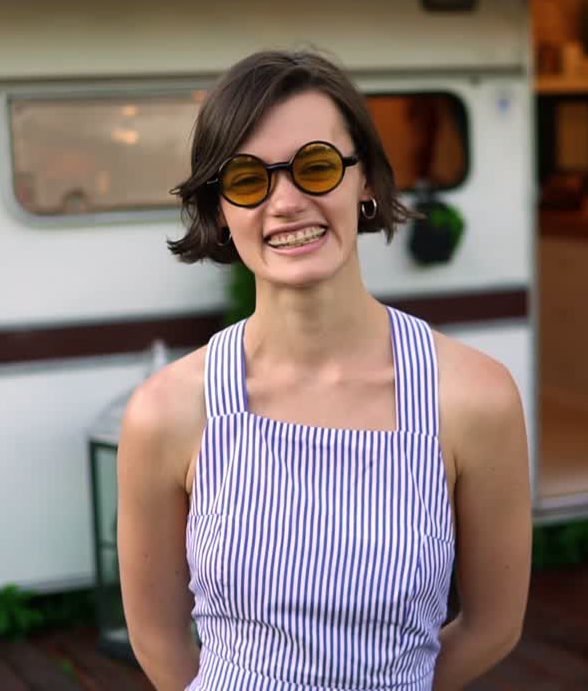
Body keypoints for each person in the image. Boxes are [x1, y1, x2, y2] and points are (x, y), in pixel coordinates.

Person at [116, 49, 532, 691]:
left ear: (364, 179)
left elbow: (492, 627)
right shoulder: (167, 411)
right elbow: (158, 639)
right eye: (248, 180)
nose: (284, 202)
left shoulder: (472, 396)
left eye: (314, 167)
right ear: (220, 208)